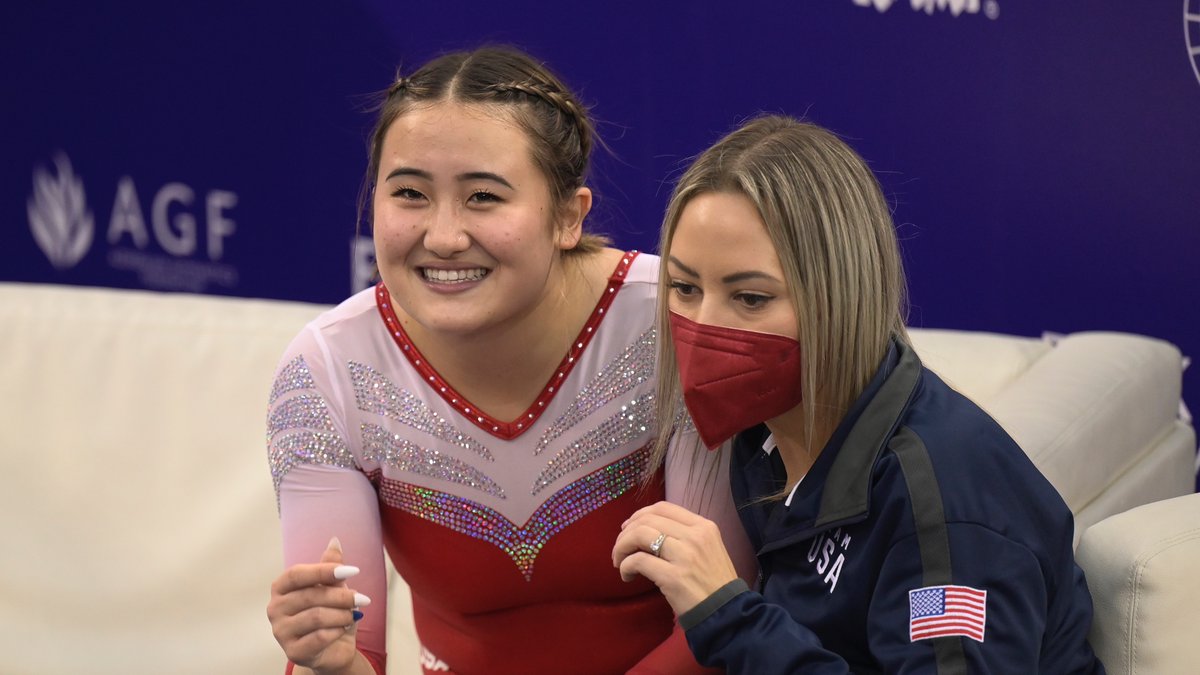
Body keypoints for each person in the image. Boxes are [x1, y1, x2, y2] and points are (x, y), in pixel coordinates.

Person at [264, 46, 751, 675]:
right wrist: (328, 659)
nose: (442, 237)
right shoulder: (324, 371)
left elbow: (727, 623)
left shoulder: (674, 323)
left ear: (567, 218)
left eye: (484, 198)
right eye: (409, 193)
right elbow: (351, 655)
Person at [612, 115, 1106, 673]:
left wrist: (729, 614)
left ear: (839, 297)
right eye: (684, 287)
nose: (704, 325)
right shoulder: (764, 431)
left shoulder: (942, 503)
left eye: (749, 298)